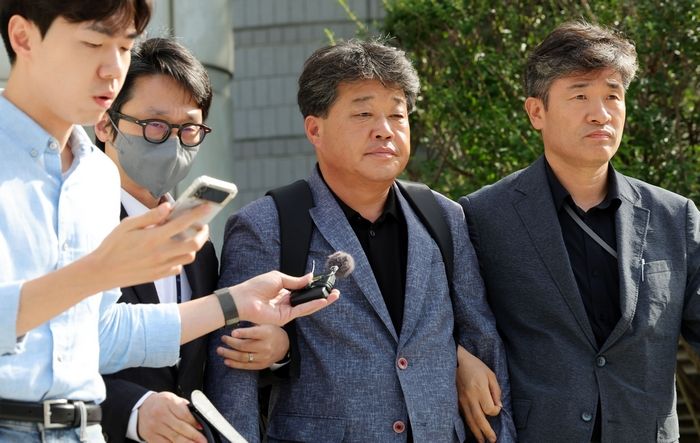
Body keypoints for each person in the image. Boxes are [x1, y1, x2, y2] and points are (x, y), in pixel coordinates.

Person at [0, 2, 337, 441]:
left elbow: (99, 333)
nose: (112, 68)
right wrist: (100, 271)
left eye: (124, 47)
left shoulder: (94, 176)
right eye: (93, 43)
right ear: (23, 37)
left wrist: (235, 303)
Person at [205, 38, 515, 442]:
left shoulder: (443, 216)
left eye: (397, 115)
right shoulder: (267, 225)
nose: (384, 130)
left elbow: (481, 343)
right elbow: (234, 371)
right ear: (315, 129)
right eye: (363, 113)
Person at [459, 20, 700, 442]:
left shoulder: (674, 217)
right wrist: (458, 359)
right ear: (536, 112)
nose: (600, 114)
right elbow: (442, 322)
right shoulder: (482, 216)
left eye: (612, 96)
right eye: (580, 95)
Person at [92, 37, 291, 443]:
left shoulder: (198, 244)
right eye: (155, 125)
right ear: (104, 123)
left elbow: (206, 359)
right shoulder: (77, 225)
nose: (172, 143)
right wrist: (130, 409)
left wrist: (275, 349)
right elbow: (47, 351)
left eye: (189, 129)